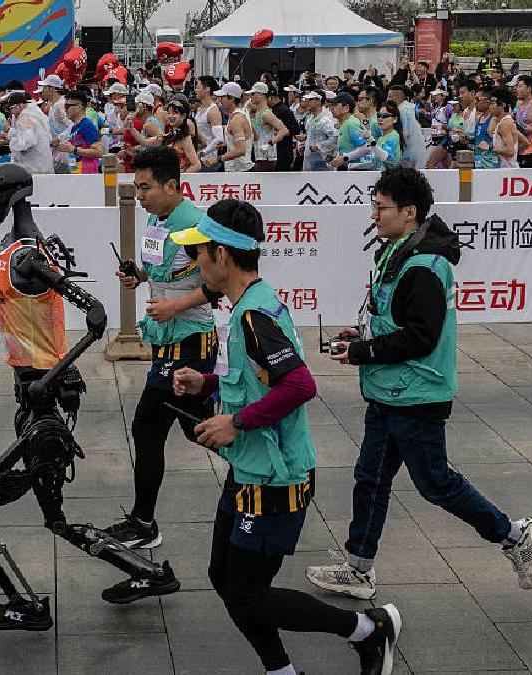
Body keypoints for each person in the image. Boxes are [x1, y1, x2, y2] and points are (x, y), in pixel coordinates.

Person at [169, 199, 403, 675]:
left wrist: (235, 422)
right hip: (250, 469)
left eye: (198, 252)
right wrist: (206, 383)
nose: (195, 263)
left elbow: (300, 385)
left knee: (248, 595)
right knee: (224, 578)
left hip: (275, 481)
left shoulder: (255, 315)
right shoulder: (249, 306)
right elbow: (257, 376)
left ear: (222, 254)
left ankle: (368, 629)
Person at [305, 168, 532, 604]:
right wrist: (363, 336)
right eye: (374, 206)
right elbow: (396, 320)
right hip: (390, 391)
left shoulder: (423, 266)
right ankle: (358, 567)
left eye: (381, 208)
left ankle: (514, 535)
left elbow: (420, 337)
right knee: (370, 479)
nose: (374, 215)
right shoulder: (398, 253)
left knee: (435, 483)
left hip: (417, 394)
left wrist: (363, 352)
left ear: (409, 212)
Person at [104, 147, 215, 549]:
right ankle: (261, 459)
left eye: (146, 187)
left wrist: (175, 305)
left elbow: (218, 285)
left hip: (190, 342)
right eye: (137, 187)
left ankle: (143, 524)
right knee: (192, 426)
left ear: (172, 185)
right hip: (167, 339)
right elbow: (161, 270)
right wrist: (137, 275)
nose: (140, 195)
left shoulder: (197, 226)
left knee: (152, 425)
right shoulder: (157, 218)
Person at [54, 89, 104, 174]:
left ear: (79, 106)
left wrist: (73, 149)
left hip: (86, 175)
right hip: (76, 173)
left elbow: (99, 152)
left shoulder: (86, 125)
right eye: (65, 106)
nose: (65, 110)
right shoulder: (75, 127)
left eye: (68, 106)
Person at [5, 90, 54, 174]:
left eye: (11, 108)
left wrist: (12, 141)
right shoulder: (35, 114)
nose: (11, 111)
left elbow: (27, 142)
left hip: (34, 166)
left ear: (20, 105)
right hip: (42, 162)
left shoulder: (25, 118)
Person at [208, 82, 252, 172]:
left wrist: (217, 159)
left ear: (231, 98)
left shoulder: (237, 119)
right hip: (238, 170)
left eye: (222, 97)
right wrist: (228, 142)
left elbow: (241, 150)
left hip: (240, 171)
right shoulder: (240, 115)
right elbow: (252, 137)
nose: (219, 100)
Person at [248, 82, 287, 172]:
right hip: (258, 155)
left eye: (253, 94)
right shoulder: (257, 112)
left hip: (267, 157)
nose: (251, 96)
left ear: (261, 94)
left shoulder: (266, 113)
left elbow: (283, 130)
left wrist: (271, 142)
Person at [297, 89, 337, 171]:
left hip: (322, 161)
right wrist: (305, 143)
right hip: (309, 160)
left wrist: (318, 146)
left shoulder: (326, 120)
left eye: (311, 99)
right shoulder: (310, 119)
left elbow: (334, 139)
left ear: (319, 101)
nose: (307, 102)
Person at [193, 76, 224, 171]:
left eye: (197, 87)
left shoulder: (213, 111)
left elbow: (219, 139)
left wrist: (203, 153)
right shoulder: (199, 109)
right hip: (198, 158)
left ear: (206, 89)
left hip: (208, 161)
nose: (195, 90)